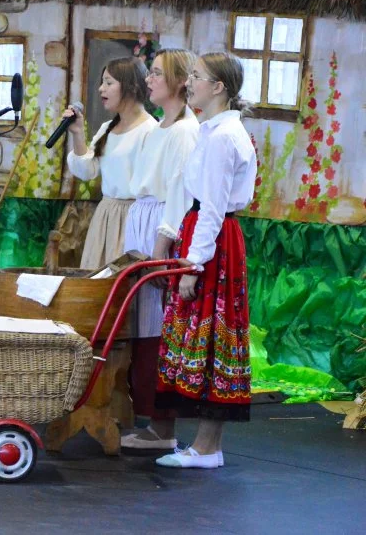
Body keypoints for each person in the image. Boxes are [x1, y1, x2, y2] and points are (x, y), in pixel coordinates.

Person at [154, 53, 257, 469]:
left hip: (212, 242)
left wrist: (193, 265)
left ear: (218, 88)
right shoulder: (215, 131)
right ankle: (204, 444)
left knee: (211, 335)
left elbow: (213, 207)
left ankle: (207, 447)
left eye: (197, 77)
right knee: (205, 333)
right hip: (207, 235)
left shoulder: (220, 137)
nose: (190, 82)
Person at [119, 49, 200, 450]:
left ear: (180, 82)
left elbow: (179, 195)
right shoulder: (158, 128)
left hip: (159, 230)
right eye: (148, 73)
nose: (148, 79)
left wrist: (159, 248)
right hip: (142, 222)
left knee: (156, 329)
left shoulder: (185, 131)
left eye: (156, 74)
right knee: (138, 326)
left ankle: (163, 427)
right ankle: (145, 415)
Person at [64, 57, 157, 268]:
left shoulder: (150, 130)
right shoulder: (108, 127)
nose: (100, 89)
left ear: (131, 87)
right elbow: (87, 170)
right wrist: (78, 133)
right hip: (105, 215)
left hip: (132, 219)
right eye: (102, 82)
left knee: (121, 288)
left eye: (108, 82)